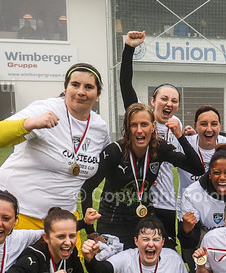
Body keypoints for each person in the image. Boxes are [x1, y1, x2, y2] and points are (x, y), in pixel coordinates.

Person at [0, 63, 110, 230]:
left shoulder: (99, 127)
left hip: (63, 218)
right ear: (65, 90)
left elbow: (110, 160)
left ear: (97, 95)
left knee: (73, 257)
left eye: (89, 87)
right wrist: (31, 123)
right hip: (19, 212)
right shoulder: (45, 110)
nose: (81, 92)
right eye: (75, 85)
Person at [80, 102, 201, 251]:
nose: (139, 130)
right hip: (112, 222)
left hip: (143, 221)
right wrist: (91, 231)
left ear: (153, 127)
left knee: (146, 268)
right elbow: (87, 187)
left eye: (144, 124)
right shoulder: (114, 152)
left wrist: (180, 136)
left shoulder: (160, 148)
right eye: (133, 125)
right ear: (127, 128)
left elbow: (197, 169)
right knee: (109, 271)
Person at [119, 32, 186, 230]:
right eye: (164, 98)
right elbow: (125, 84)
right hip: (137, 198)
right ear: (152, 101)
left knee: (165, 251)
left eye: (174, 101)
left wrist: (185, 135)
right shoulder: (141, 117)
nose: (169, 103)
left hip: (165, 201)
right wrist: (129, 48)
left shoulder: (176, 124)